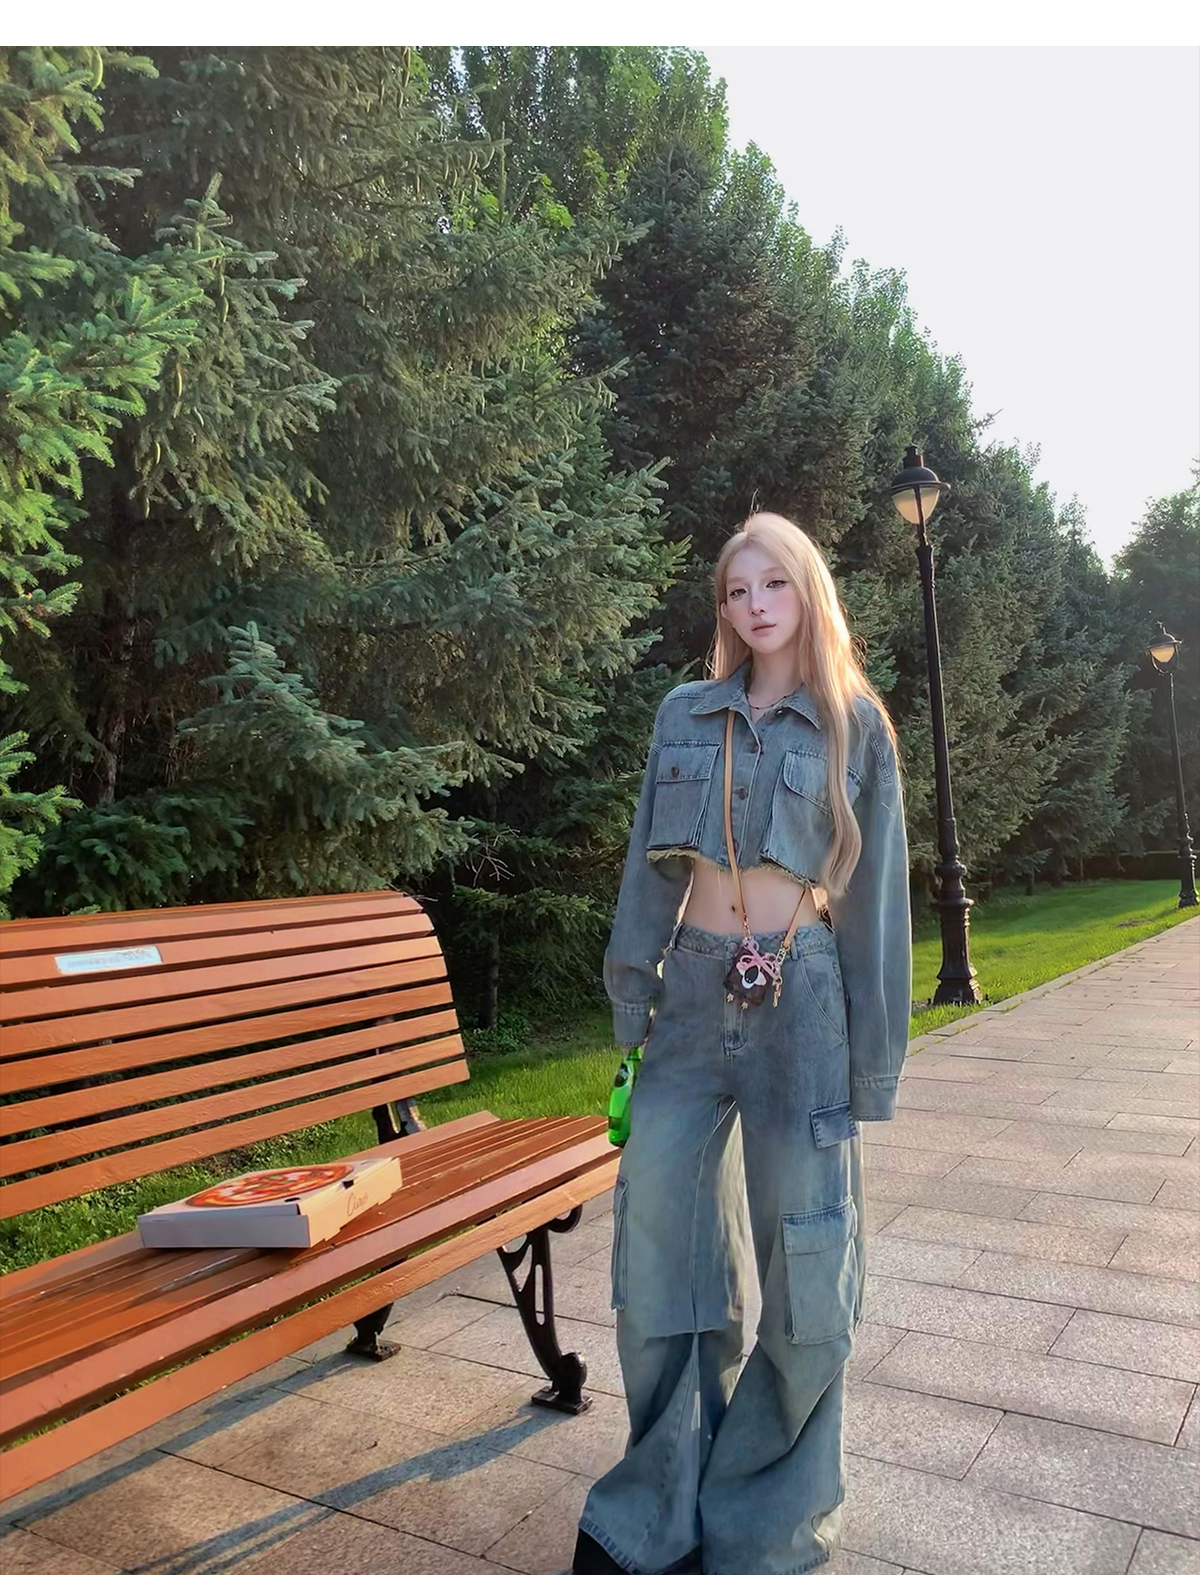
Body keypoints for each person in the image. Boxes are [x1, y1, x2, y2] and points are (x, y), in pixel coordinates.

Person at [573, 512, 912, 1575]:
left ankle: (765, 1517)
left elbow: (878, 909)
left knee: (810, 1266)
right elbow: (646, 867)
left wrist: (872, 1066)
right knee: (658, 1252)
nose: (755, 605)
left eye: (774, 584)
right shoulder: (687, 712)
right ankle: (656, 1507)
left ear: (809, 592)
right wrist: (631, 995)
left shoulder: (855, 725)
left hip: (801, 1000)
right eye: (736, 589)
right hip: (688, 996)